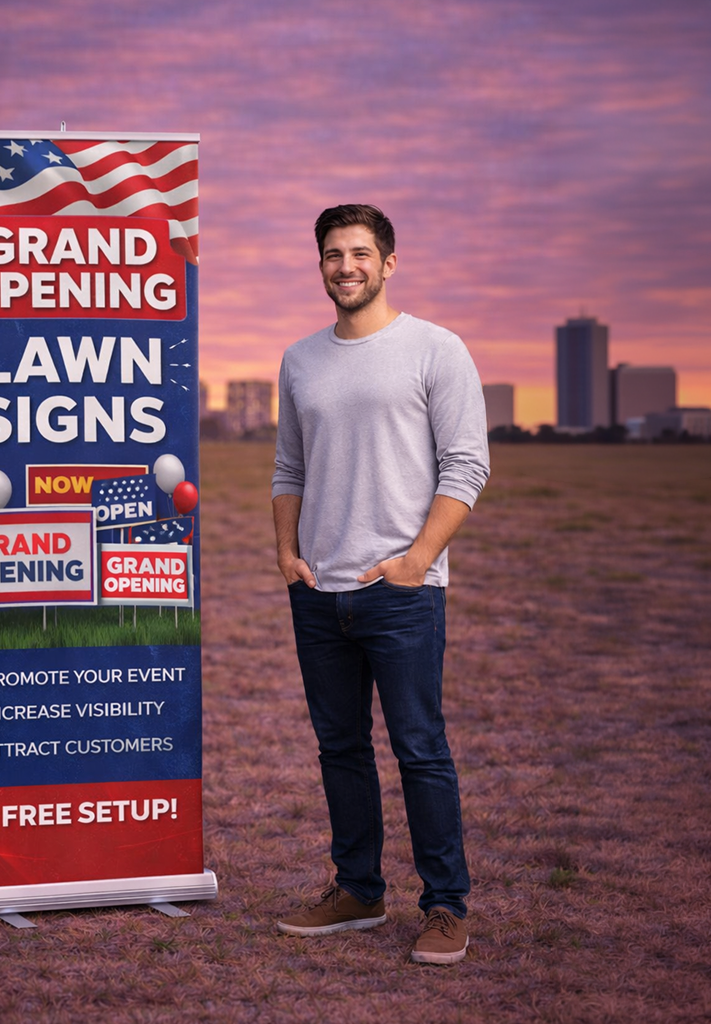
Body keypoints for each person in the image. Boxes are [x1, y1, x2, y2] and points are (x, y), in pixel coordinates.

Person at [271, 204, 489, 964]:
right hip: (318, 590)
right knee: (339, 748)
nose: (346, 266)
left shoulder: (435, 349)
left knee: (420, 748)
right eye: (333, 254)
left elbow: (467, 464)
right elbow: (289, 468)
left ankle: (445, 906)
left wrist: (416, 558)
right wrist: (285, 553)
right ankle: (358, 891)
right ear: (321, 265)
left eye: (361, 253)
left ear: (388, 263)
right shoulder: (299, 359)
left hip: (401, 591)